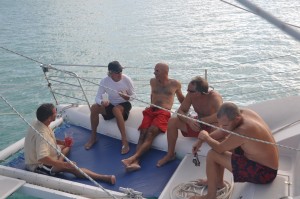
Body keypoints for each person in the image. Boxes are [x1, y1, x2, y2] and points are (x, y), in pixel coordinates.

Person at [190, 102, 279, 199]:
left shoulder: (243, 130)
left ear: (237, 119)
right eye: (221, 125)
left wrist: (206, 137)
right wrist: (201, 140)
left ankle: (210, 196)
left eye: (225, 125)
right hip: (261, 161)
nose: (223, 127)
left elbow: (219, 149)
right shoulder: (244, 113)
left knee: (212, 154)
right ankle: (219, 182)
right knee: (221, 141)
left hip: (265, 173)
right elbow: (223, 131)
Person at [24, 103, 116, 184]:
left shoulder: (39, 122)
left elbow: (48, 140)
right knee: (72, 167)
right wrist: (64, 165)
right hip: (39, 164)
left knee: (67, 146)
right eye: (54, 112)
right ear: (49, 118)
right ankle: (104, 178)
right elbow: (42, 158)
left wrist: (62, 142)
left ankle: (59, 161)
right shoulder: (42, 134)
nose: (56, 112)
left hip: (46, 152)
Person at [121, 62, 185, 171]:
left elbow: (181, 99)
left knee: (150, 133)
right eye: (155, 70)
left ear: (165, 72)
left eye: (157, 71)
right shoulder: (152, 81)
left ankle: (133, 158)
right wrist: (150, 106)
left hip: (164, 112)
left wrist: (186, 110)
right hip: (151, 110)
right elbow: (152, 95)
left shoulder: (175, 84)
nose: (154, 73)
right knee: (142, 133)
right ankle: (135, 162)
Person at [157, 76, 223, 167]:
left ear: (200, 92)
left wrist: (202, 121)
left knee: (218, 128)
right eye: (187, 90)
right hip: (197, 124)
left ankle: (218, 161)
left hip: (211, 125)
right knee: (172, 121)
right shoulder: (190, 96)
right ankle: (170, 154)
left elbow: (221, 115)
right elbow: (181, 111)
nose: (188, 92)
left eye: (191, 91)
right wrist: (189, 120)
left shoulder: (215, 97)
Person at [85, 61, 135, 154]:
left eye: (121, 71)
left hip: (124, 104)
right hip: (110, 105)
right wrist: (102, 102)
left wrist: (126, 97)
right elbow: (97, 97)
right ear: (110, 72)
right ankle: (93, 137)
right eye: (117, 72)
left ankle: (125, 142)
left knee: (116, 110)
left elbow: (134, 96)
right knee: (94, 107)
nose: (120, 73)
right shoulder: (104, 81)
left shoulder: (127, 79)